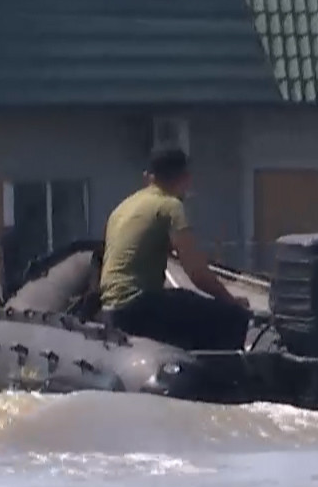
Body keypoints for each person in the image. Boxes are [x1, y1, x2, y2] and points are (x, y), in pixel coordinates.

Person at [98, 147, 252, 351]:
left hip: (110, 308)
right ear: (186, 178)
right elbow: (197, 274)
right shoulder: (170, 206)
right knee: (232, 318)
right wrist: (231, 302)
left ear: (148, 177)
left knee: (183, 302)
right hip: (138, 306)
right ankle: (221, 380)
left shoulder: (123, 208)